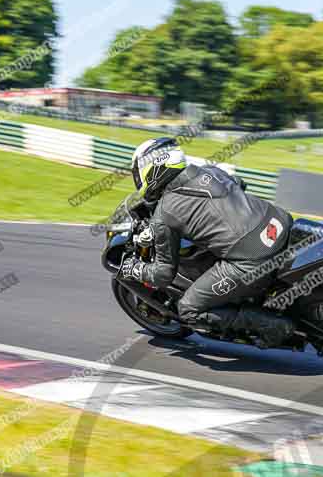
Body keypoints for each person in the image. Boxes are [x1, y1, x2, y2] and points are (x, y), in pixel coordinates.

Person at [119, 137, 295, 348]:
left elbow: (163, 274)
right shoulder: (209, 170)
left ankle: (272, 326)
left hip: (252, 259)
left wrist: (133, 269)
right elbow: (239, 183)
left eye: (138, 173)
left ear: (151, 169)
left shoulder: (164, 215)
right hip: (277, 222)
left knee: (188, 309)